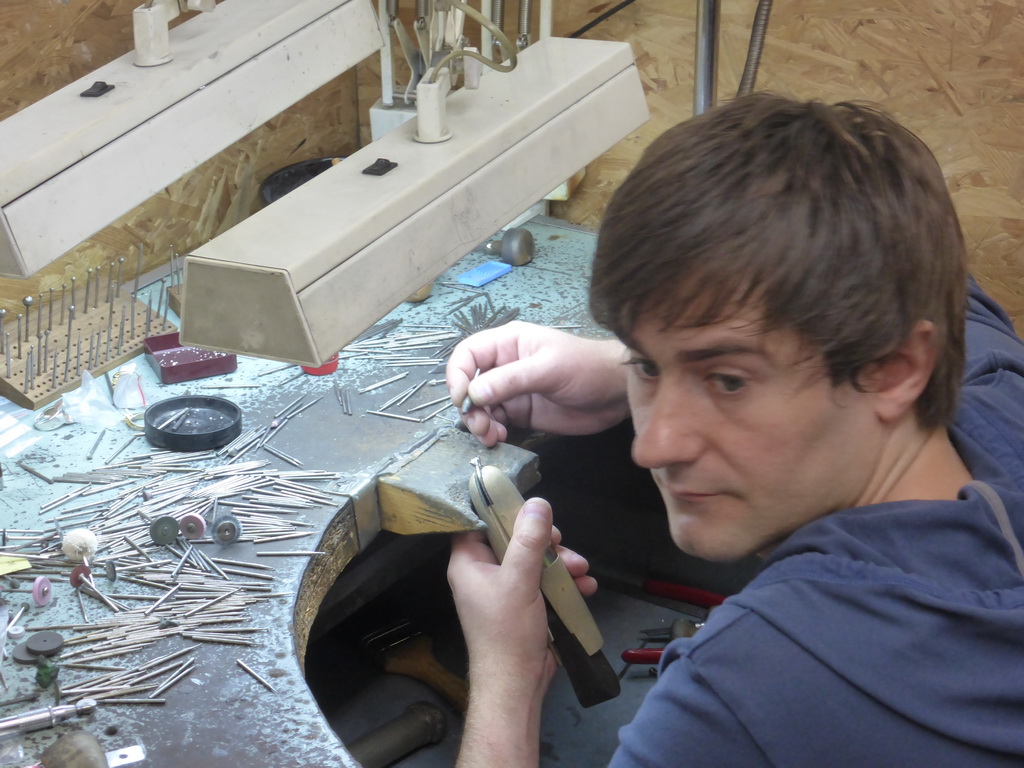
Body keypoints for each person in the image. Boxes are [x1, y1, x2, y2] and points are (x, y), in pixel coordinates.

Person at [445, 93, 1024, 766]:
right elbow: (951, 293)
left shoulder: (747, 693)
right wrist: (623, 368)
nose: (651, 444)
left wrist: (508, 678)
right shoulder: (999, 395)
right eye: (648, 365)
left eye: (729, 381)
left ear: (895, 369)